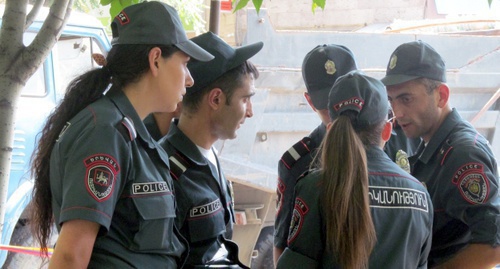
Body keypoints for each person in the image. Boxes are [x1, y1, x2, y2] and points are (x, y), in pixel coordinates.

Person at [29, 2, 214, 268]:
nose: (189, 79)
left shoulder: (130, 132)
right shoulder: (105, 132)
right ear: (155, 60)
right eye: (185, 64)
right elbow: (71, 256)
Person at [273, 44, 419, 263]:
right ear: (310, 101)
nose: (340, 111)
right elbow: (282, 247)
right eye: (329, 104)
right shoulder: (299, 163)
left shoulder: (403, 139)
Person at [382, 40, 500, 268]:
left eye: (406, 99)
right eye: (392, 100)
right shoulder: (429, 143)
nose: (397, 112)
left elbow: (493, 247)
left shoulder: (463, 154)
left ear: (441, 96)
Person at [152, 32, 263, 267]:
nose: (250, 112)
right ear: (215, 100)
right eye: (245, 100)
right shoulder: (163, 172)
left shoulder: (210, 154)